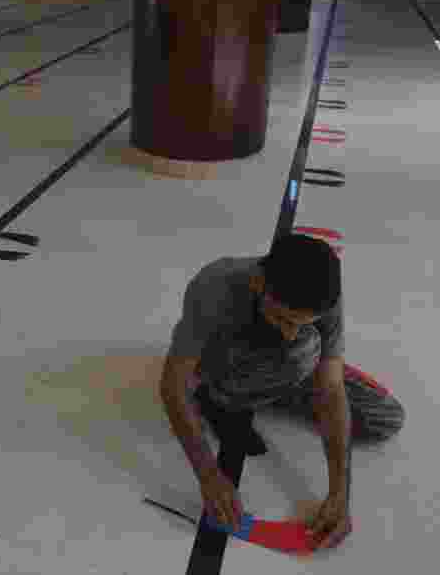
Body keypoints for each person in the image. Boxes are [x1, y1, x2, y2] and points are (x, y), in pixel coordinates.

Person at [160, 234, 404, 550]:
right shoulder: (215, 286)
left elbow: (330, 388)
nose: (290, 331)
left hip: (285, 364)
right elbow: (173, 385)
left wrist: (339, 494)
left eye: (301, 322)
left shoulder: (325, 293)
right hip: (224, 364)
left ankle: (287, 379)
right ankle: (221, 401)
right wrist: (209, 474)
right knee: (303, 349)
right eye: (283, 318)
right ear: (260, 284)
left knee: (385, 418)